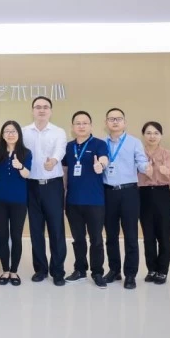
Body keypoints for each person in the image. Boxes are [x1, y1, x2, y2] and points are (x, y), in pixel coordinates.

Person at [102, 108, 150, 290]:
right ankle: (114, 270)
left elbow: (141, 162)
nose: (115, 122)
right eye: (111, 119)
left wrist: (147, 168)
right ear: (106, 122)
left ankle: (130, 274)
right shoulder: (101, 143)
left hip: (129, 192)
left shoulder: (134, 142)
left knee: (130, 235)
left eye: (119, 119)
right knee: (111, 235)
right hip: (108, 192)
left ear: (125, 122)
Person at [22, 96, 67, 286]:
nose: (41, 110)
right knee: (36, 230)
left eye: (45, 107)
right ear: (32, 110)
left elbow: (60, 150)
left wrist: (54, 161)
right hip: (31, 185)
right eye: (38, 107)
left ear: (51, 111)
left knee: (56, 230)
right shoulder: (24, 132)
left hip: (53, 185)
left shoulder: (59, 131)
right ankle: (40, 269)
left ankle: (58, 271)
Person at [62, 111, 109, 288]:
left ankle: (97, 272)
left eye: (85, 123)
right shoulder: (69, 147)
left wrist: (100, 165)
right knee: (78, 238)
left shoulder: (99, 144)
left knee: (96, 239)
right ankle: (80, 270)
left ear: (91, 125)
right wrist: (63, 193)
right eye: (78, 123)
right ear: (72, 127)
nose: (81, 126)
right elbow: (65, 171)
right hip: (73, 201)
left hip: (95, 201)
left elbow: (104, 159)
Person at [0, 120, 32, 286]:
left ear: (19, 134)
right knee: (3, 236)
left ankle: (14, 271)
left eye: (13, 131)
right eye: (7, 131)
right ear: (2, 135)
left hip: (19, 201)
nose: (10, 134)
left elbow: (27, 174)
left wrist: (20, 166)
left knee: (16, 236)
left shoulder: (26, 153)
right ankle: (5, 270)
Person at [137, 121, 170, 285]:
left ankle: (163, 271)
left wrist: (165, 172)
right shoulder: (138, 153)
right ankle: (151, 269)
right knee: (148, 235)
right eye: (148, 133)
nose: (152, 136)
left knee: (164, 235)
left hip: (162, 194)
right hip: (143, 194)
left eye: (156, 133)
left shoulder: (167, 154)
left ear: (161, 135)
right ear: (143, 135)